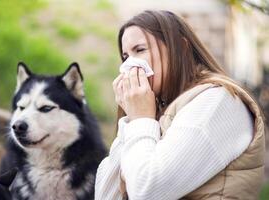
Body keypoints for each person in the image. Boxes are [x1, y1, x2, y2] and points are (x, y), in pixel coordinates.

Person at [95, 10, 265, 200]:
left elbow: (147, 192)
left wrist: (140, 119)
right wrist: (131, 118)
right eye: (125, 57)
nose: (127, 66)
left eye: (140, 50)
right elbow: (106, 195)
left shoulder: (216, 101)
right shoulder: (155, 112)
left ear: (180, 48)